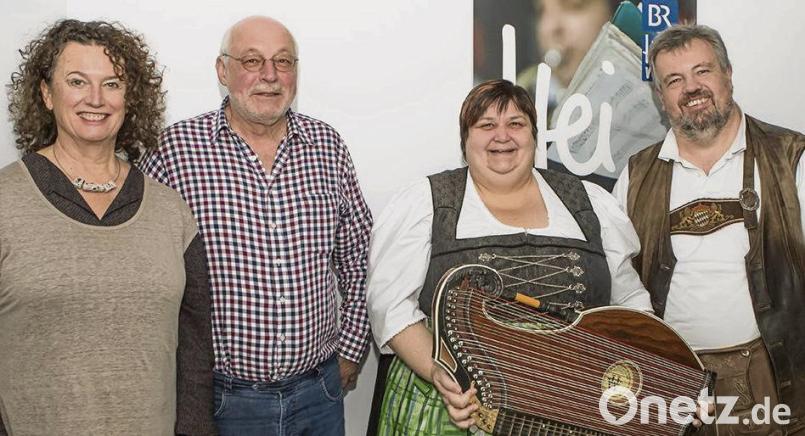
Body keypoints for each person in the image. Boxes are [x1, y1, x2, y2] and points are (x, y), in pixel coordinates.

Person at [366, 79, 652, 435]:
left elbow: (630, 305)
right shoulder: (427, 202)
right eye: (486, 125)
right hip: (454, 406)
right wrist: (440, 372)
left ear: (533, 136)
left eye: (516, 124)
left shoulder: (590, 202)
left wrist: (658, 372)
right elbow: (391, 306)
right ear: (465, 140)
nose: (502, 136)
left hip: (569, 407)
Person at [138, 16, 373, 436]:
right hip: (222, 401)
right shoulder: (174, 151)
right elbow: (140, 268)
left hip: (319, 394)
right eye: (252, 61)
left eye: (283, 61)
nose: (269, 75)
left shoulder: (327, 146)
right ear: (222, 70)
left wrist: (352, 350)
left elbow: (358, 255)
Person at [0, 19, 214, 435]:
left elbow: (194, 351)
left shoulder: (170, 211)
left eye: (112, 84)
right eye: (77, 81)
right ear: (46, 93)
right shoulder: (5, 201)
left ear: (130, 98)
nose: (95, 98)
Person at [613, 24, 805, 435]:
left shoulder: (792, 159)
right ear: (660, 96)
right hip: (669, 388)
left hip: (772, 385)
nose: (691, 88)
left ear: (728, 74)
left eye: (702, 71)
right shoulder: (635, 176)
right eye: (674, 80)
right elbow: (618, 282)